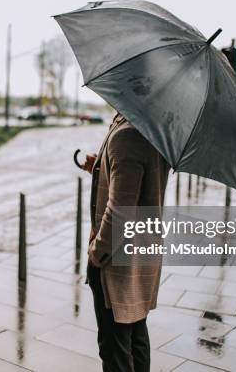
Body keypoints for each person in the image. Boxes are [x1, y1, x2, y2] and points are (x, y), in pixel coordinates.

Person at [81, 113, 170, 372]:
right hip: (143, 253)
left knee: (115, 349)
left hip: (118, 261)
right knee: (135, 335)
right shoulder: (155, 128)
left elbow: (120, 211)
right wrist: (100, 166)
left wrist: (97, 254)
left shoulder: (128, 134)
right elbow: (135, 183)